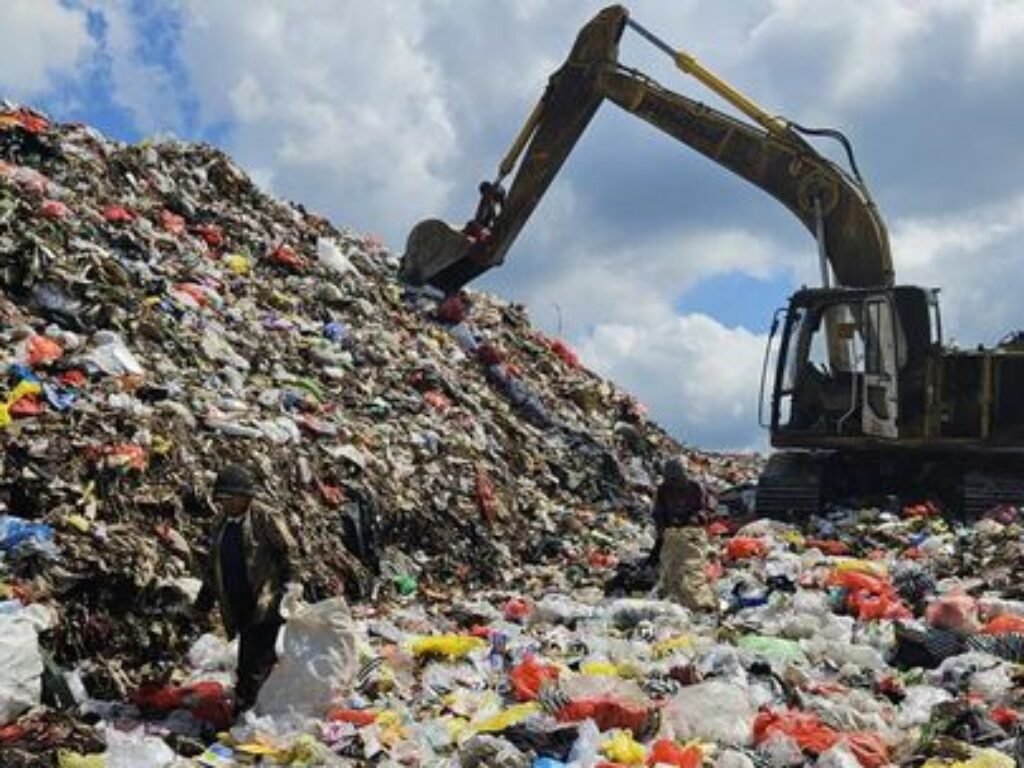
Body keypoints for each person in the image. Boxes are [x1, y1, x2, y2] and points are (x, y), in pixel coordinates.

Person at [194, 464, 301, 712]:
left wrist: (291, 585)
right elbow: (214, 567)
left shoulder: (264, 517)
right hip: (237, 601)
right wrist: (203, 604)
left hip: (265, 600)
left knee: (253, 661)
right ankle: (262, 702)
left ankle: (249, 709)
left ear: (245, 496)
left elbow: (289, 551)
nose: (226, 504)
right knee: (254, 656)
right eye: (222, 499)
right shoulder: (221, 523)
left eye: (231, 498)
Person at [647, 456, 717, 612]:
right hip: (672, 532)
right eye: (671, 480)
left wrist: (695, 518)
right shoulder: (663, 489)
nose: (674, 484)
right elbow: (658, 513)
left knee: (691, 566)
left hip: (692, 532)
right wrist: (662, 531)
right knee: (667, 563)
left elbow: (707, 509)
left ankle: (697, 598)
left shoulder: (695, 487)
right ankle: (670, 592)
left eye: (676, 479)